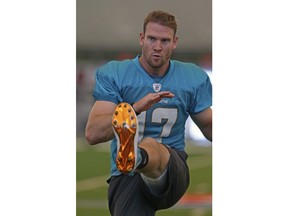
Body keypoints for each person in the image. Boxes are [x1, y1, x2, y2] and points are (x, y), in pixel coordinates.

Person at [85, 10, 212, 215]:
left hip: (171, 170)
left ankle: (136, 156)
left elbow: (209, 125)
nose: (158, 47)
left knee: (151, 144)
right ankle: (133, 159)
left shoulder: (190, 78)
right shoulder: (117, 74)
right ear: (141, 39)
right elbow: (92, 133)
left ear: (174, 42)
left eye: (165, 40)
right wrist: (133, 110)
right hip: (126, 175)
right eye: (152, 39)